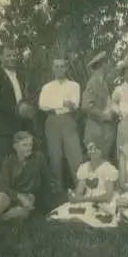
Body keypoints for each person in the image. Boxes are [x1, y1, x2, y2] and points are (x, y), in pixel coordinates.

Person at [47, 140, 120, 228]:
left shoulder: (108, 168)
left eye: (96, 149)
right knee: (71, 212)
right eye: (90, 150)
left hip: (103, 201)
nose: (93, 152)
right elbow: (79, 192)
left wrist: (83, 199)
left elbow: (108, 196)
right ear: (88, 153)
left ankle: (88, 220)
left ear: (101, 152)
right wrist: (74, 196)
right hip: (87, 200)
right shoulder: (84, 167)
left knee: (94, 215)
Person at [0, 46, 30, 185]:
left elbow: (24, 97)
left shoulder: (21, 76)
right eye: (8, 55)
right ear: (1, 58)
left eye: (14, 56)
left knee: (17, 163)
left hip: (19, 127)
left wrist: (27, 107)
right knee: (1, 164)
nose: (12, 58)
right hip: (2, 128)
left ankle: (16, 196)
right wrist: (16, 109)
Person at [38, 57, 83, 190]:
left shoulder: (74, 85)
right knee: (55, 156)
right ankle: (58, 191)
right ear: (53, 69)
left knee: (75, 155)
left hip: (68, 120)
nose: (59, 69)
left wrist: (55, 103)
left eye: (62, 66)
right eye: (56, 66)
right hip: (52, 121)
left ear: (66, 68)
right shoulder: (47, 87)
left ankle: (80, 188)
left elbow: (74, 105)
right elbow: (42, 105)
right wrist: (62, 103)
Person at [81, 51, 117, 162]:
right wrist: (103, 116)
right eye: (107, 64)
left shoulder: (103, 82)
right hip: (96, 128)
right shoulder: (94, 82)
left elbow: (115, 73)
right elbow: (86, 106)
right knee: (97, 161)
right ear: (103, 65)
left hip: (104, 128)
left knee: (104, 160)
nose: (109, 67)